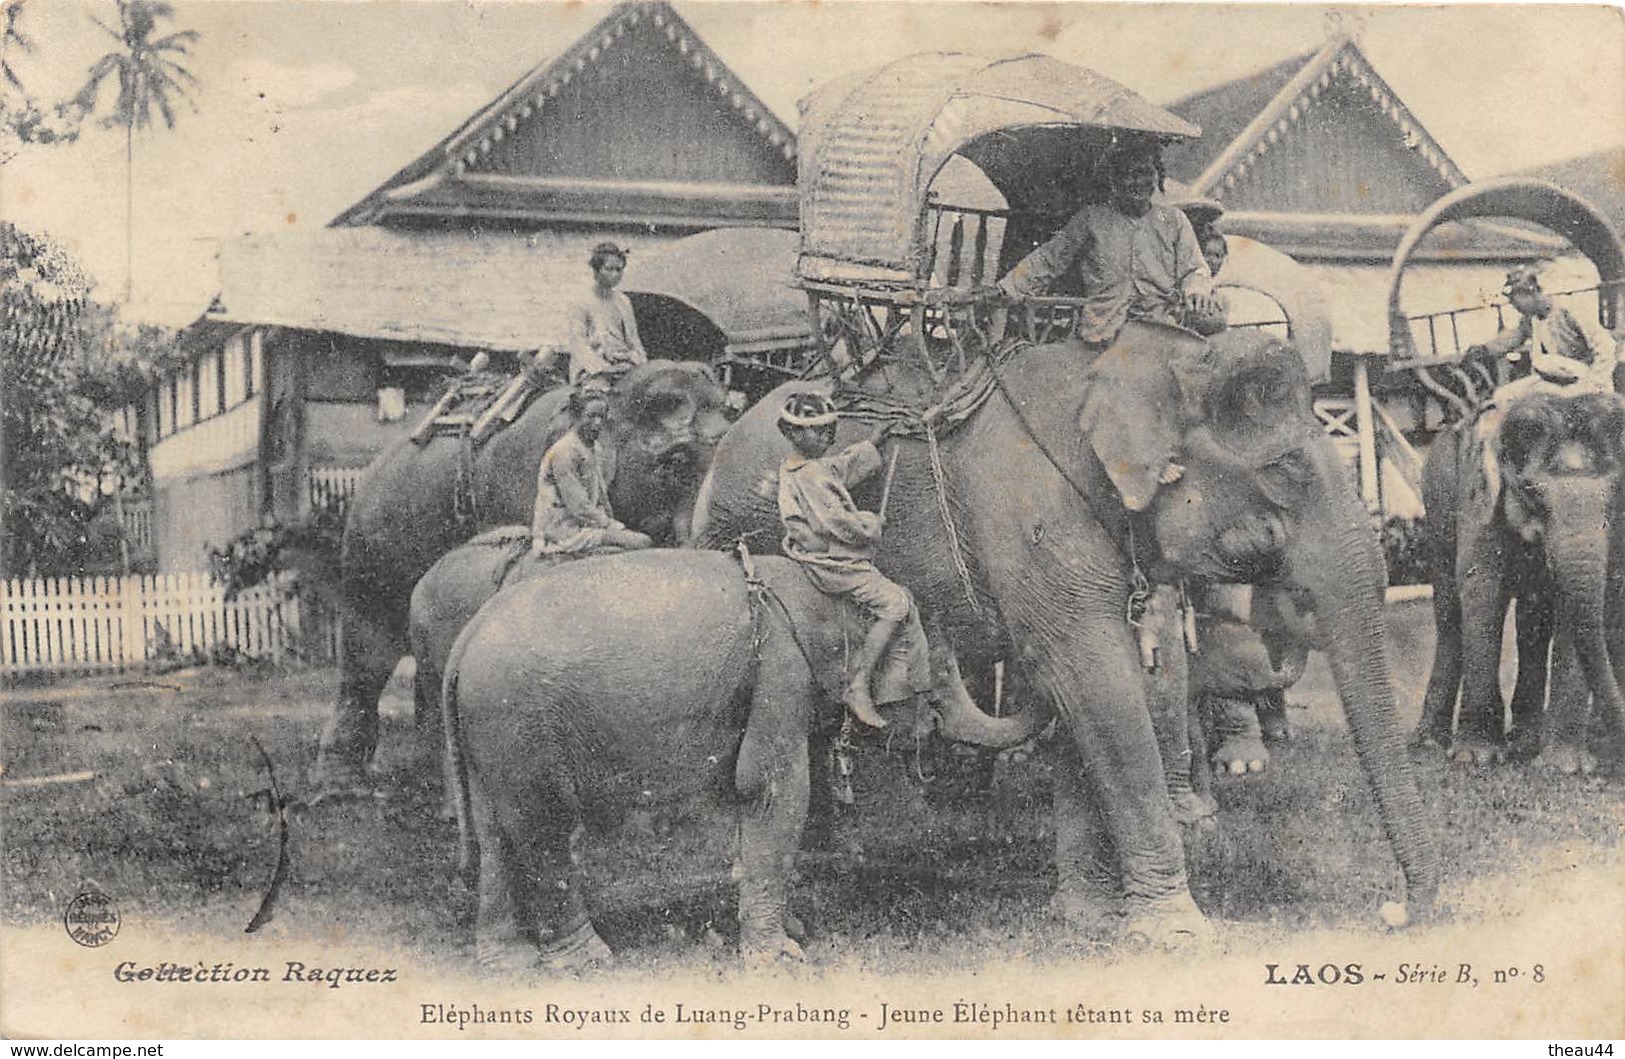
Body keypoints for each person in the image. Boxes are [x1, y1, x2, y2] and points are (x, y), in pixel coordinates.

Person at [776, 393, 931, 729]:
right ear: (793, 433)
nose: (827, 437)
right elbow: (839, 523)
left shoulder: (803, 466)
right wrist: (871, 525)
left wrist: (871, 444)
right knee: (896, 603)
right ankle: (858, 685)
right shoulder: (812, 476)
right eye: (817, 432)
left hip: (815, 552)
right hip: (829, 562)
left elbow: (837, 469)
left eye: (830, 431)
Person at [997, 137, 1227, 344]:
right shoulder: (1091, 219)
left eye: (1146, 172)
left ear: (1157, 176)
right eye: (1129, 174)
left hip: (1162, 327)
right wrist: (1006, 289)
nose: (1139, 182)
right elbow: (1048, 259)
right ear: (1114, 179)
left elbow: (1195, 268)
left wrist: (1196, 289)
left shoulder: (1174, 220)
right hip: (1104, 330)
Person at [531, 390, 653, 557]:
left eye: (602, 417)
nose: (597, 423)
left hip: (586, 524)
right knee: (641, 542)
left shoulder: (594, 447)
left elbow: (600, 494)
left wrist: (611, 522)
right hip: (564, 529)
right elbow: (578, 506)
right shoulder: (565, 451)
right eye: (591, 416)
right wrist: (610, 525)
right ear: (576, 416)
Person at [1469, 264, 1618, 394]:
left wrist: (1593, 383)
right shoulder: (1531, 319)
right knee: (1505, 395)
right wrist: (1484, 349)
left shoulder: (1569, 311)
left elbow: (1606, 348)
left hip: (1586, 378)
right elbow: (1513, 338)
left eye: (1515, 299)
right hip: (1555, 380)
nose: (1513, 305)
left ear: (1532, 293)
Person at [565, 242, 648, 384]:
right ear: (596, 271)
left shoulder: (623, 301)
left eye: (619, 269)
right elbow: (578, 343)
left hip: (624, 365)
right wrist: (602, 368)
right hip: (593, 370)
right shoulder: (581, 302)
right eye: (609, 269)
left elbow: (633, 339)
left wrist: (641, 362)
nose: (615, 275)